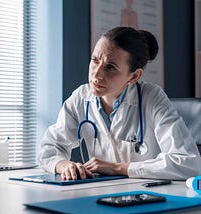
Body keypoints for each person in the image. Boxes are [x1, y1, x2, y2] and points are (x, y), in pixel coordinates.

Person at [38, 26, 201, 181]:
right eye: (95, 60)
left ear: (134, 76)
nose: (97, 74)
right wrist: (65, 165)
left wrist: (120, 168)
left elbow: (189, 163)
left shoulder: (151, 97)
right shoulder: (81, 97)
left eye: (110, 67)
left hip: (148, 196)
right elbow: (48, 150)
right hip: (100, 194)